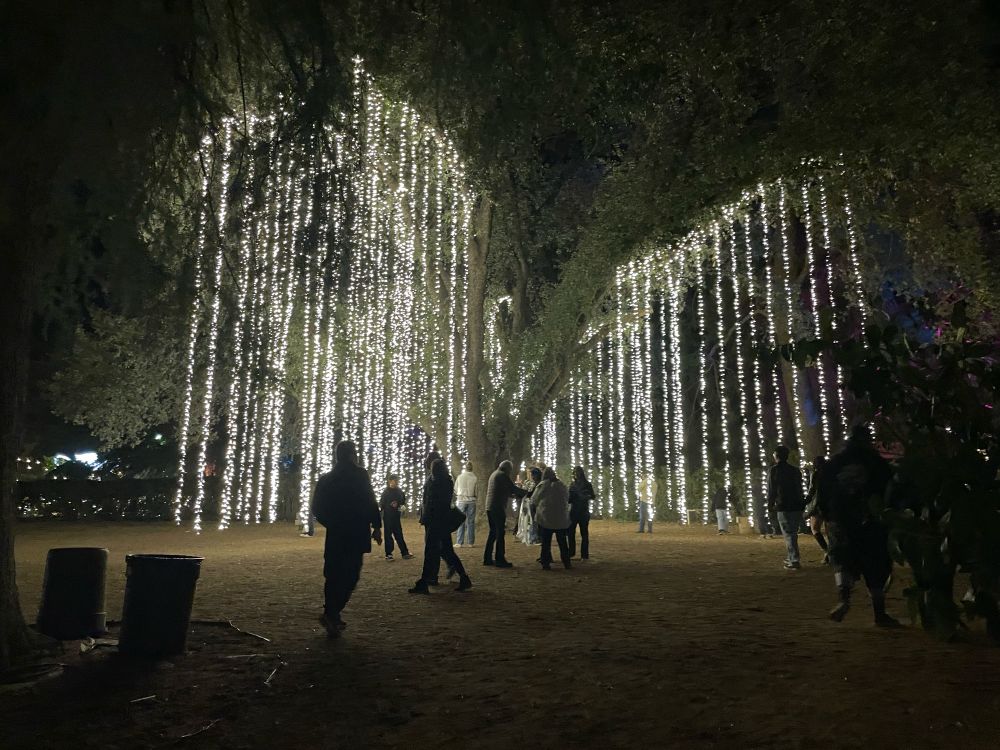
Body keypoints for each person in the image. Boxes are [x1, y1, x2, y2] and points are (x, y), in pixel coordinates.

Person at [818, 425, 900, 627]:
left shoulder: (836, 462)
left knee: (843, 560)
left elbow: (823, 488)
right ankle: (879, 613)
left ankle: (843, 599)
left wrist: (828, 514)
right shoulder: (877, 463)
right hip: (871, 520)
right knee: (876, 565)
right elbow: (890, 490)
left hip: (841, 519)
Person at [311, 440, 382, 638]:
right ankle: (332, 613)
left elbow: (316, 507)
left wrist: (331, 522)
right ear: (352, 455)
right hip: (355, 532)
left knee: (333, 574)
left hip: (336, 534)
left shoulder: (326, 479)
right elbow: (370, 500)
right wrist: (376, 525)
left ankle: (332, 613)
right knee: (350, 574)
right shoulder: (359, 475)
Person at [409, 459, 472, 594]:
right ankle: (463, 577)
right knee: (447, 551)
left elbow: (431, 502)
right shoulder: (445, 481)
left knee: (430, 552)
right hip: (441, 521)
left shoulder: (436, 482)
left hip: (435, 522)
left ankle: (424, 582)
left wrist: (426, 518)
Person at [484, 460, 529, 568]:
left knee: (493, 533)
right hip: (497, 507)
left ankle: (487, 558)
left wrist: (515, 495)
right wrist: (527, 493)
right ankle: (500, 559)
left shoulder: (495, 474)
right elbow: (512, 488)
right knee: (500, 533)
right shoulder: (502, 475)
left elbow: (505, 490)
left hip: (490, 507)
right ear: (507, 469)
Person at [767, 444, 805, 569]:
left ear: (776, 456)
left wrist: (770, 504)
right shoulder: (795, 470)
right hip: (796, 504)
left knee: (788, 533)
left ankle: (794, 559)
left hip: (783, 504)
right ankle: (791, 557)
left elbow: (772, 489)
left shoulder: (774, 470)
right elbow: (799, 487)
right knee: (792, 532)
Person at [534, 467, 572, 570]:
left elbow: (534, 499)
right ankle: (566, 562)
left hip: (546, 518)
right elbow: (567, 498)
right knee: (562, 542)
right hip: (560, 519)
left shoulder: (542, 485)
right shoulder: (562, 485)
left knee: (546, 542)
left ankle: (545, 562)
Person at [380, 474, 413, 561]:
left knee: (399, 535)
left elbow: (402, 503)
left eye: (397, 480)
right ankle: (389, 554)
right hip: (387, 518)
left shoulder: (399, 492)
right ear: (390, 481)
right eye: (394, 480)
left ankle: (404, 553)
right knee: (388, 536)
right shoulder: (385, 492)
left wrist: (402, 508)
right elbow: (381, 505)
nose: (396, 482)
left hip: (396, 517)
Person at [804, 455, 830, 561]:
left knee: (815, 529)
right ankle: (831, 552)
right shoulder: (831, 475)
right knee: (829, 531)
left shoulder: (815, 474)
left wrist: (806, 501)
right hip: (830, 505)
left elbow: (812, 490)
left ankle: (826, 551)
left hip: (819, 506)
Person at [567, 466, 593, 558]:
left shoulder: (587, 484)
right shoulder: (572, 485)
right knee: (570, 532)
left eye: (577, 473)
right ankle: (571, 552)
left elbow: (592, 496)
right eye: (574, 473)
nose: (576, 474)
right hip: (574, 511)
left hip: (583, 511)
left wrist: (585, 496)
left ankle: (584, 554)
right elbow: (569, 499)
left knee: (584, 534)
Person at [454, 461, 478, 547]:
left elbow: (456, 489)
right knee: (471, 522)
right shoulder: (475, 478)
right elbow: (476, 491)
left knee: (461, 521)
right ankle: (470, 542)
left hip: (461, 500)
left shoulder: (460, 477)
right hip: (471, 501)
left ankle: (459, 542)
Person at [517, 466, 543, 545]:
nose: (531, 476)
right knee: (532, 522)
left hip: (538, 506)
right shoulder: (534, 483)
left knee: (536, 522)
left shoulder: (539, 484)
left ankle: (536, 537)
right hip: (532, 505)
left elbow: (532, 494)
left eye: (532, 475)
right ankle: (534, 537)